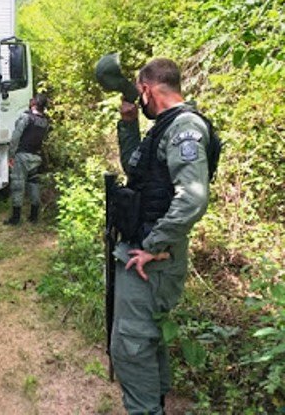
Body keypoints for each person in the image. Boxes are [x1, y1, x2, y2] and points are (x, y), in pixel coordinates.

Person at [111, 58, 218, 414]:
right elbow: (135, 168)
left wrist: (154, 245)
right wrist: (128, 125)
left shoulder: (184, 127)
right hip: (144, 253)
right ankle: (152, 405)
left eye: (138, 95)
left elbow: (193, 198)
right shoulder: (164, 128)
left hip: (150, 259)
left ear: (146, 89)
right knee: (143, 342)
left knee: (132, 346)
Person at [4, 94, 49, 225]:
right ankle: (34, 217)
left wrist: (11, 155)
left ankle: (16, 218)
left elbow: (15, 137)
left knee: (17, 185)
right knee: (34, 184)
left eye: (33, 99)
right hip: (36, 156)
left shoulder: (26, 117)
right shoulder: (45, 121)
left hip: (22, 156)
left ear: (35, 103)